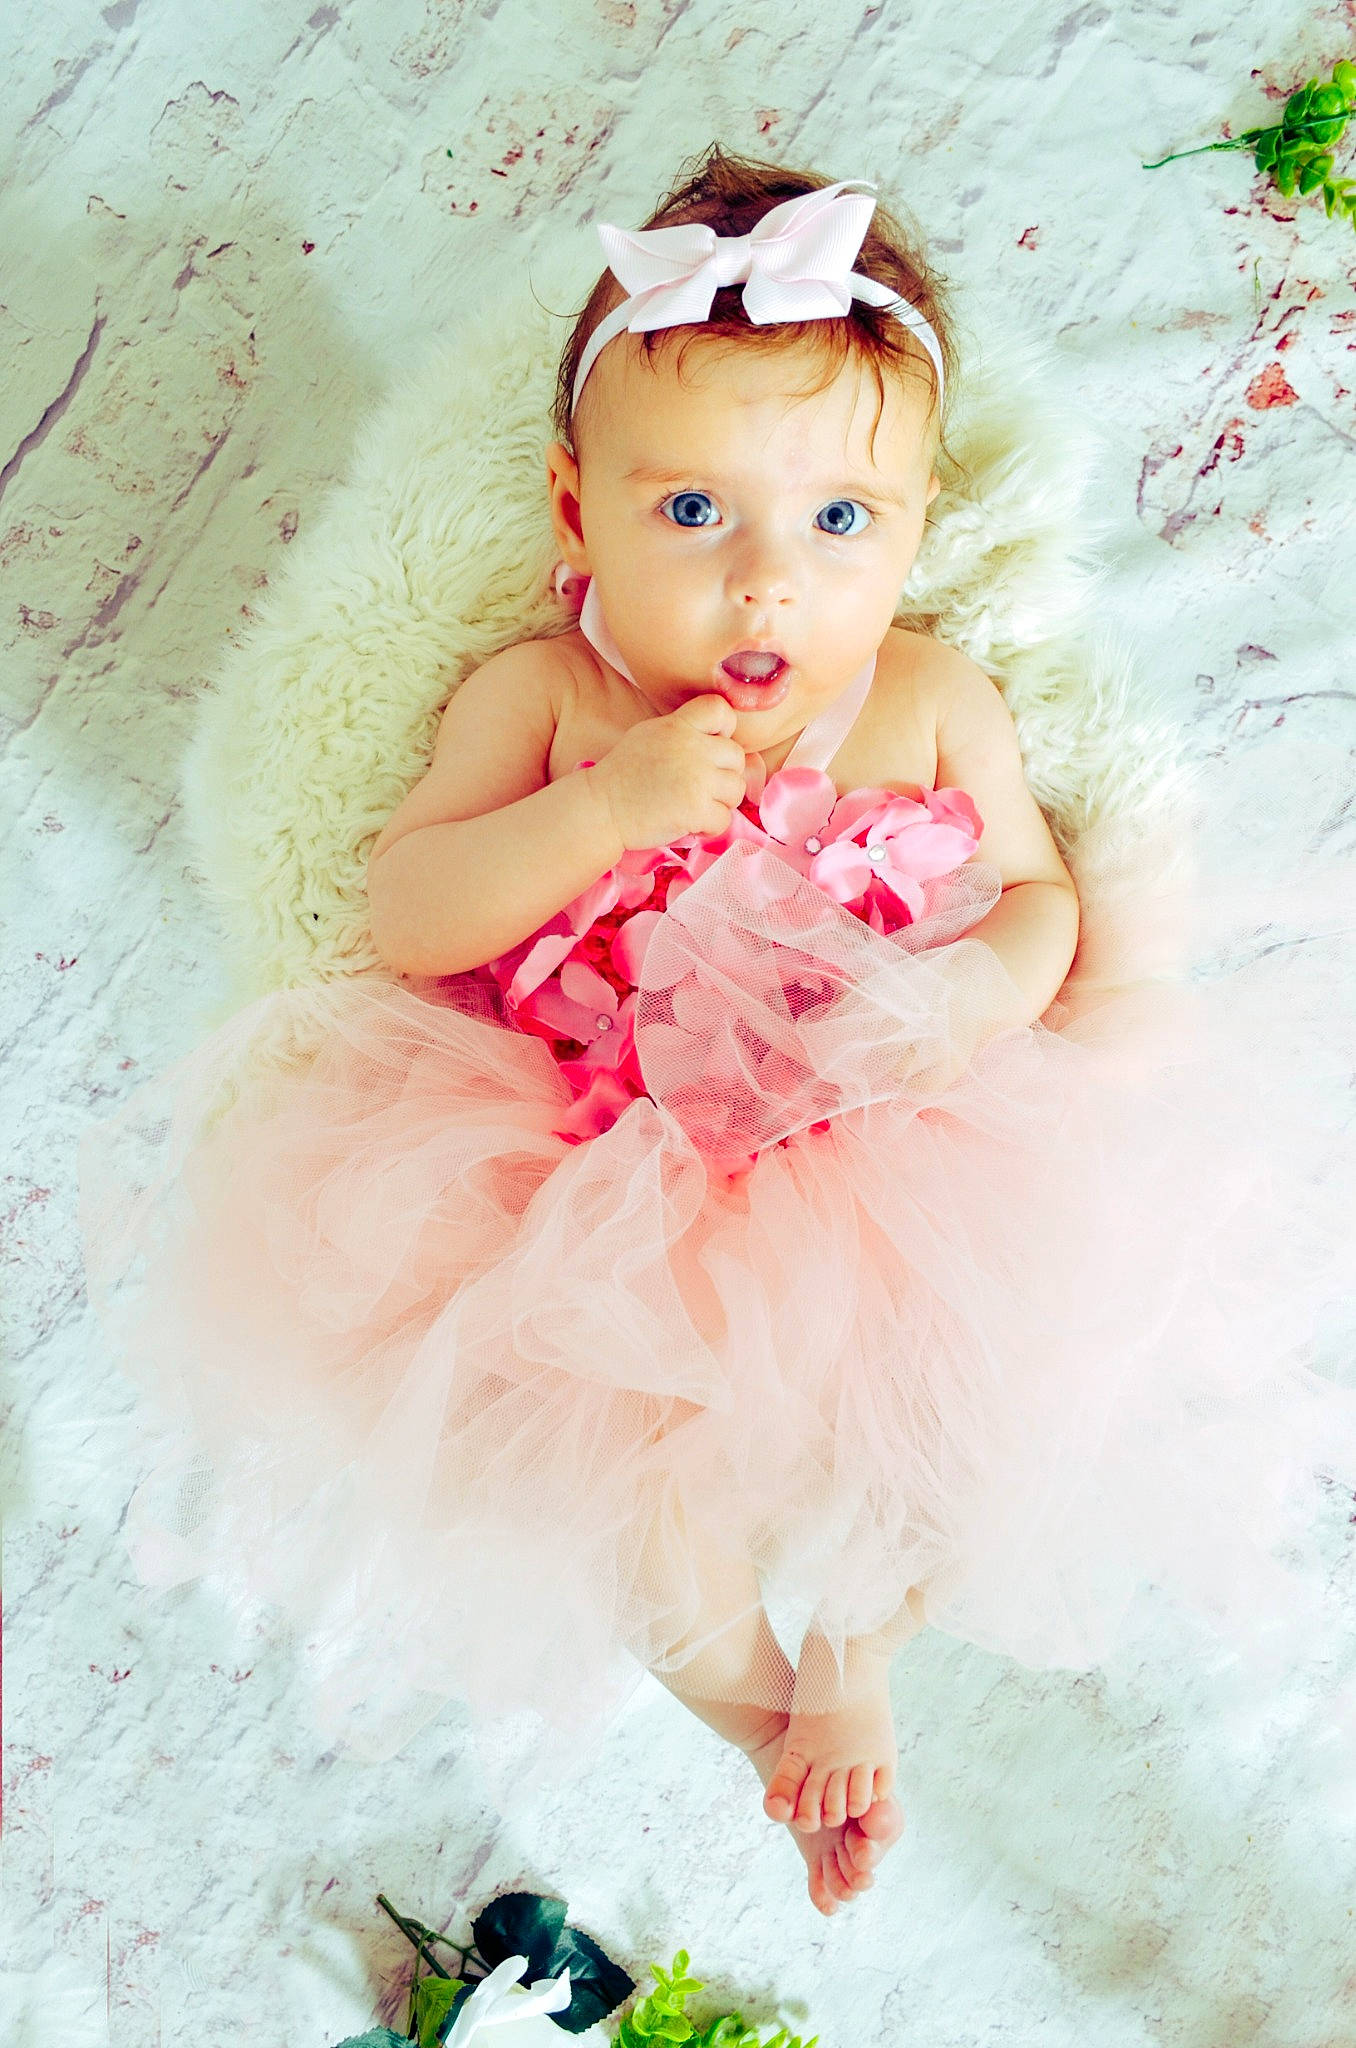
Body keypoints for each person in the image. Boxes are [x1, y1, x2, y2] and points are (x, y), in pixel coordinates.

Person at [78, 144, 1356, 1920]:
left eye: (840, 524)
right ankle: (767, 1722)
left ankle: (860, 1644)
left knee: (989, 1419)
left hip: (895, 1153)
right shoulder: (544, 697)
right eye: (694, 513)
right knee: (622, 1489)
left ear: (915, 530)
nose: (769, 585)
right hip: (596, 1168)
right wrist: (596, 812)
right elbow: (410, 910)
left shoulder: (931, 696)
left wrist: (973, 991)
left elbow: (1043, 900)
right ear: (573, 510)